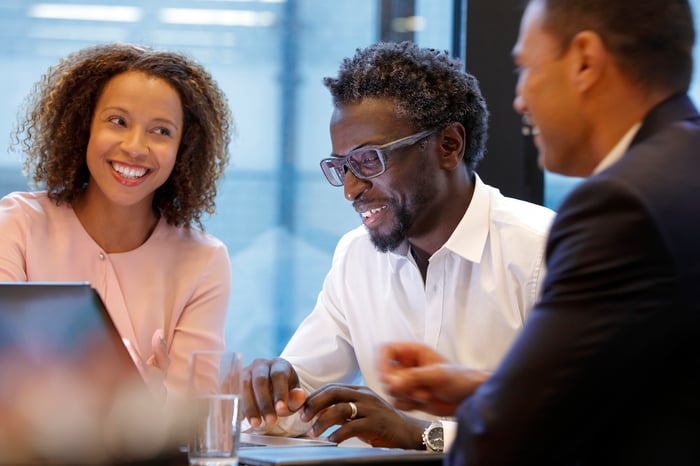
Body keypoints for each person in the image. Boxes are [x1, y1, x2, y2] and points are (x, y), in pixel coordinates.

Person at [380, 0, 700, 464]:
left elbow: (500, 440)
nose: (519, 99)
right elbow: (658, 387)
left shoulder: (621, 204)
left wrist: (491, 409)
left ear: (585, 61)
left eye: (525, 68)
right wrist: (489, 389)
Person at [242, 41, 555, 450]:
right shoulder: (356, 256)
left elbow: (579, 424)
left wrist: (423, 436)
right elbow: (297, 407)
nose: (351, 190)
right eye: (341, 167)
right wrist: (271, 391)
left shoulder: (543, 250)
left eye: (369, 159)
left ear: (449, 146)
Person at [0, 43, 234, 399]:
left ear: (184, 148)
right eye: (118, 121)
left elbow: (194, 415)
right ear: (83, 127)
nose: (136, 147)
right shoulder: (16, 226)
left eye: (161, 131)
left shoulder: (204, 260)